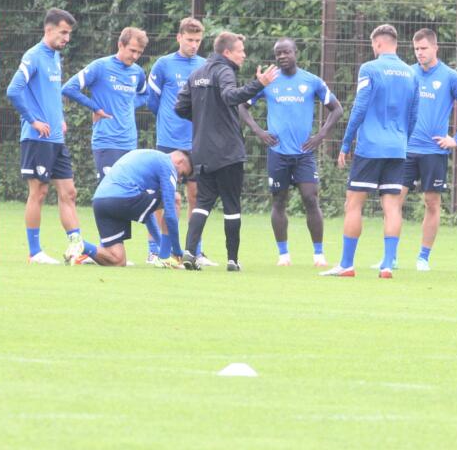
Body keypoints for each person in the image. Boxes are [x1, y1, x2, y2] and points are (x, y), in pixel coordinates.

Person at [174, 31, 278, 271]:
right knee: (232, 205)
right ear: (227, 52)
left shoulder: (197, 73)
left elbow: (180, 107)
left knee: (202, 203)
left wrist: (203, 118)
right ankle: (232, 260)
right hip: (228, 152)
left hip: (201, 151)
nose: (244, 55)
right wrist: (258, 84)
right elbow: (231, 96)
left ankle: (189, 252)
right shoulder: (224, 70)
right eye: (241, 51)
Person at [321, 24, 419, 278]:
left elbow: (360, 107)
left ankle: (346, 264)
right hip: (398, 148)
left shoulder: (370, 68)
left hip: (370, 147)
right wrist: (402, 140)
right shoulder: (411, 74)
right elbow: (414, 115)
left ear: (378, 44)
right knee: (392, 207)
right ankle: (387, 264)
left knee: (353, 204)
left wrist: (346, 143)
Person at [238, 37, 344, 268]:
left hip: (304, 154)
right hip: (277, 152)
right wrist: (259, 131)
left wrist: (321, 135)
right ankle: (283, 255)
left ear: (296, 53)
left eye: (286, 52)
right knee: (279, 201)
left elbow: (336, 109)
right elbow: (242, 106)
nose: (282, 57)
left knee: (310, 198)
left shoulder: (311, 81)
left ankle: (318, 255)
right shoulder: (268, 81)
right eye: (278, 54)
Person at [60, 27, 155, 257]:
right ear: (120, 45)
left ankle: (149, 251)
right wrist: (96, 108)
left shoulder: (137, 73)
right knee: (112, 196)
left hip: (129, 143)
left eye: (139, 53)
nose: (135, 56)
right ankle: (108, 251)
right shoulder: (100, 67)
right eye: (132, 50)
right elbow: (69, 88)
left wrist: (128, 105)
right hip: (106, 142)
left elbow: (145, 95)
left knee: (136, 193)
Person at [4, 8, 84, 265]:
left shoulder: (55, 58)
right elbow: (14, 90)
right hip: (37, 138)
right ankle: (34, 252)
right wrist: (34, 120)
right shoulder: (34, 56)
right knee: (38, 193)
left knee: (69, 192)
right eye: (63, 32)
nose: (66, 38)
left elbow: (49, 93)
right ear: (48, 30)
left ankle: (76, 247)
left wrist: (58, 118)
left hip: (55, 139)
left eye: (69, 34)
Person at [396, 28, 457, 271]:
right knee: (394, 200)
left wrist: (456, 139)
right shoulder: (407, 73)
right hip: (406, 149)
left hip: (434, 151)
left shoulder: (450, 77)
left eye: (424, 48)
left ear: (435, 48)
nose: (419, 53)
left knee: (431, 202)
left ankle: (423, 257)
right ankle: (390, 256)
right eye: (416, 49)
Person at [146, 16, 217, 267]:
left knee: (196, 195)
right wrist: (169, 120)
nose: (194, 44)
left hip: (196, 143)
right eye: (189, 40)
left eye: (198, 40)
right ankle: (154, 249)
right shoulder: (163, 64)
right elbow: (151, 101)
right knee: (164, 197)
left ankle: (194, 250)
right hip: (168, 141)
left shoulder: (205, 66)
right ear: (179, 38)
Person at [67, 148, 193, 267]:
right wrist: (177, 252)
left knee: (117, 260)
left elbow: (148, 213)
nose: (180, 179)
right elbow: (170, 213)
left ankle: (81, 246)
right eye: (182, 174)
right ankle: (165, 258)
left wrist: (161, 245)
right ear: (179, 161)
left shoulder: (148, 158)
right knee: (174, 198)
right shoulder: (167, 164)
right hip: (122, 198)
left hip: (100, 202)